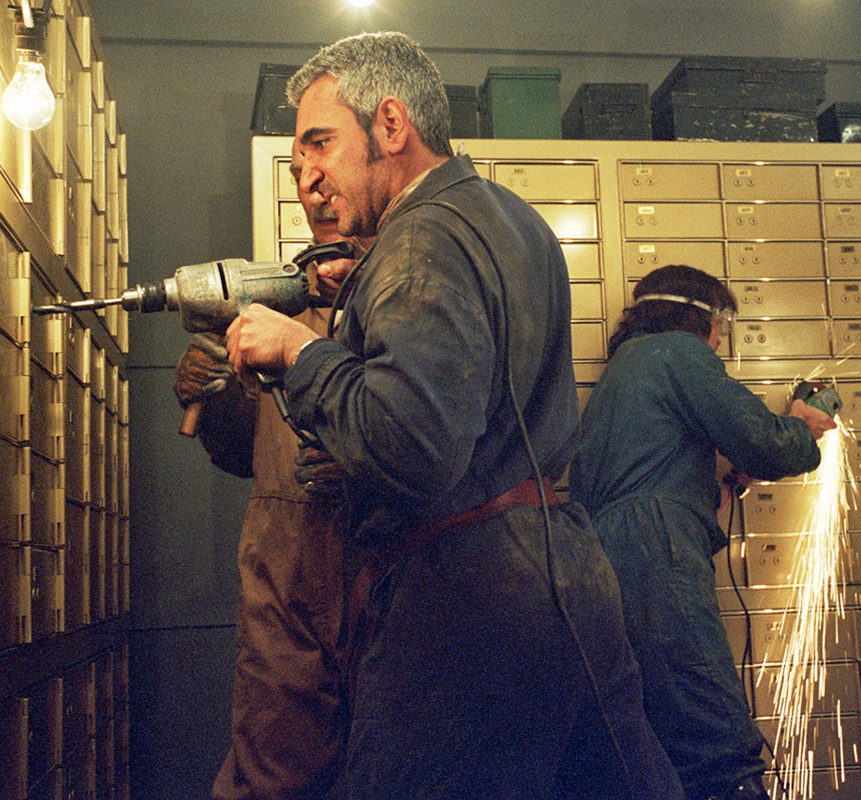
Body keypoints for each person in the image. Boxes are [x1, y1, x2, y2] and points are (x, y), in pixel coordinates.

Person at [225, 30, 682, 799]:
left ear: (391, 124)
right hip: (570, 578)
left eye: (320, 144)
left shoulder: (418, 240)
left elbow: (414, 446)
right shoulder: (513, 219)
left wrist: (301, 353)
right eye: (298, 163)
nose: (308, 178)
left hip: (463, 605)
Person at [568, 265, 837, 800]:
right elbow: (766, 443)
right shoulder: (678, 352)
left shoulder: (627, 369)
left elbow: (645, 476)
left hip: (603, 560)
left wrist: (724, 485)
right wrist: (801, 426)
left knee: (657, 739)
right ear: (698, 317)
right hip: (654, 555)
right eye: (720, 326)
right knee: (714, 737)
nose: (719, 341)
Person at [173, 147, 366, 799]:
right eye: (300, 183)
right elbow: (242, 454)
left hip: (387, 572)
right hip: (286, 578)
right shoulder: (274, 315)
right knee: (270, 769)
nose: (315, 193)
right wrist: (215, 394)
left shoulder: (406, 308)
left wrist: (363, 458)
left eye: (328, 177)